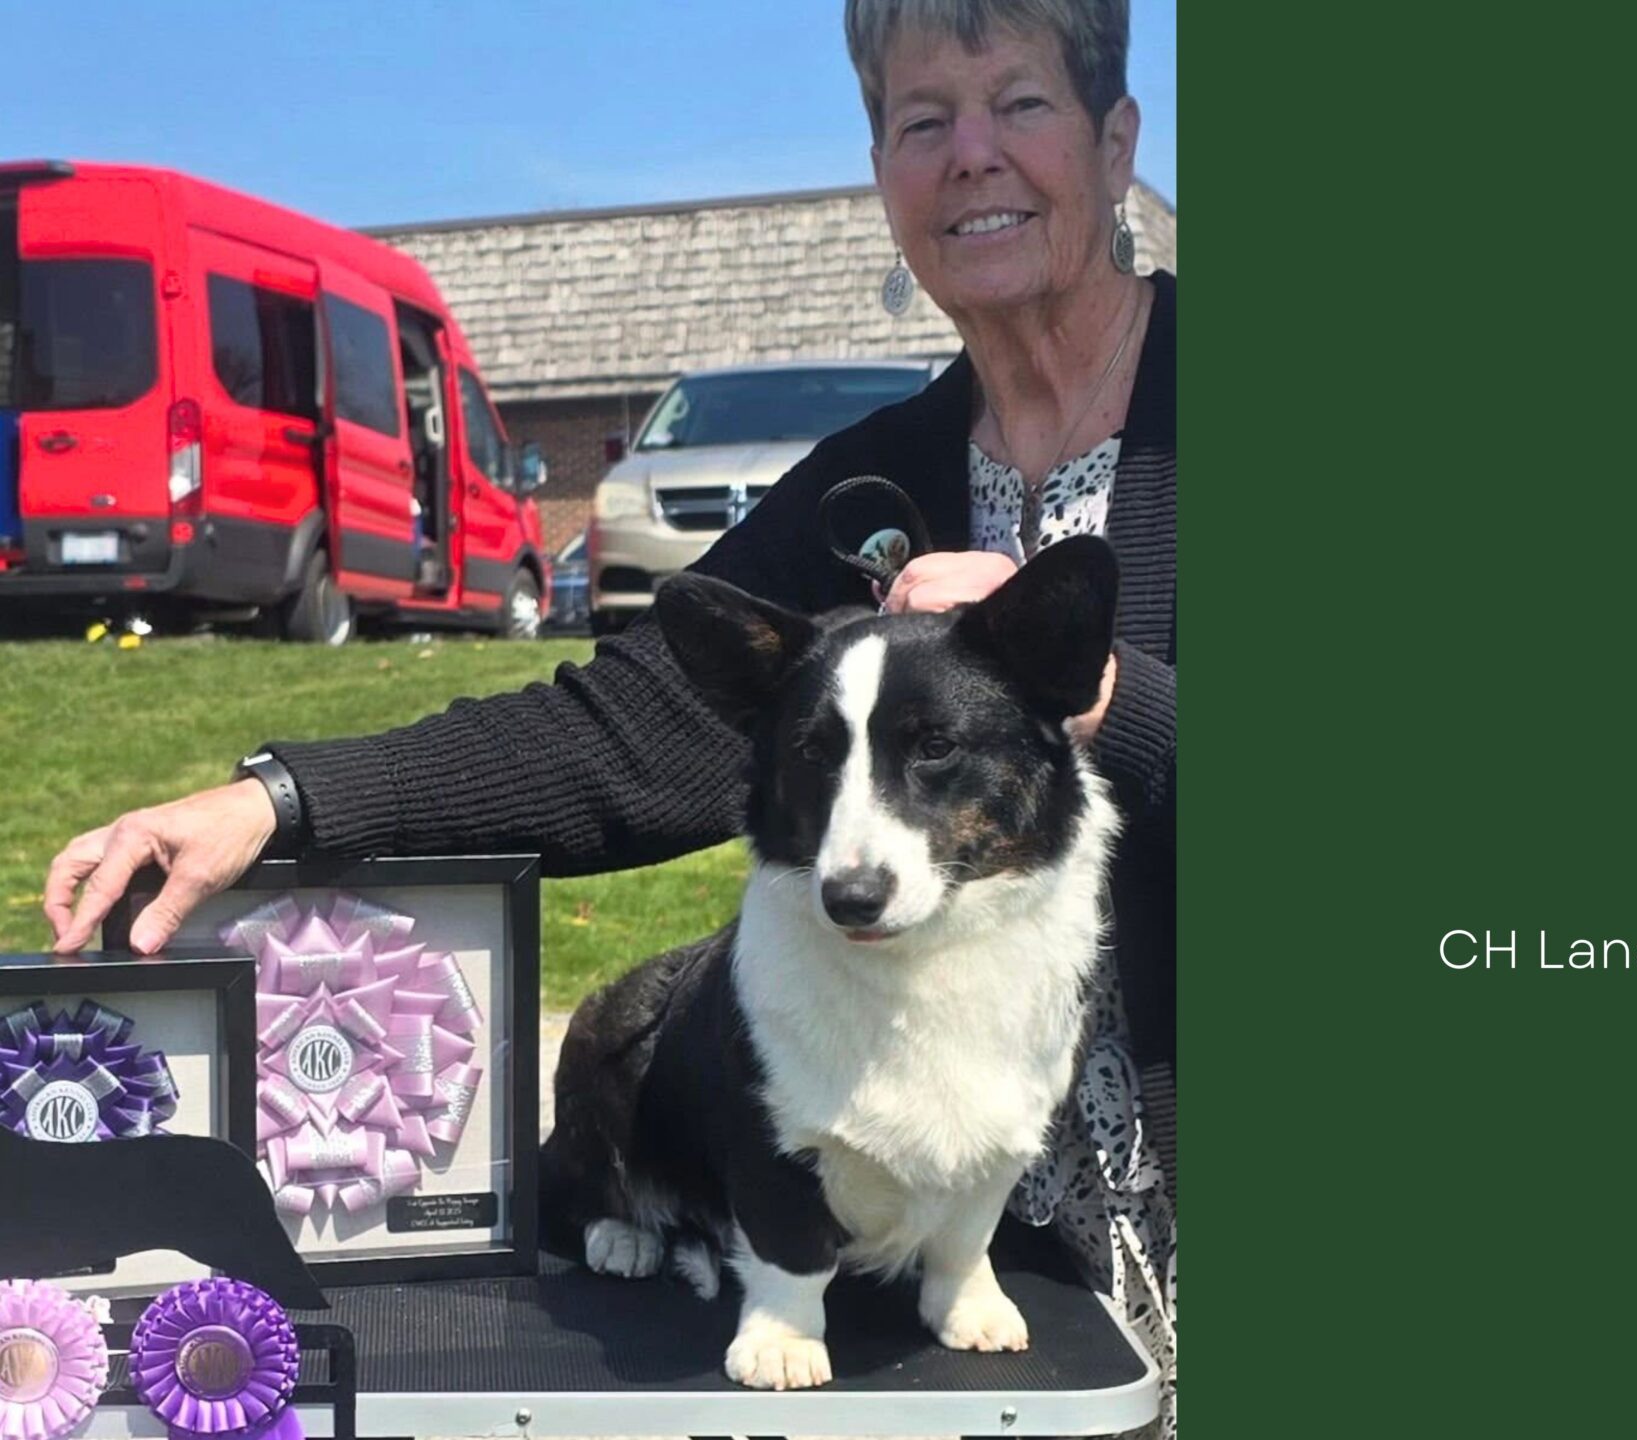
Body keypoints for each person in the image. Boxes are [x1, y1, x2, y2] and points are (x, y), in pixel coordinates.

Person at [44, 0, 1175, 1430]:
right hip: (948, 1276)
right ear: (882, 173)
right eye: (921, 120)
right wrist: (277, 800)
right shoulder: (871, 478)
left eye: (1019, 103)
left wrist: (1104, 692)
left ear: (1115, 139)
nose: (969, 156)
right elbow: (621, 733)